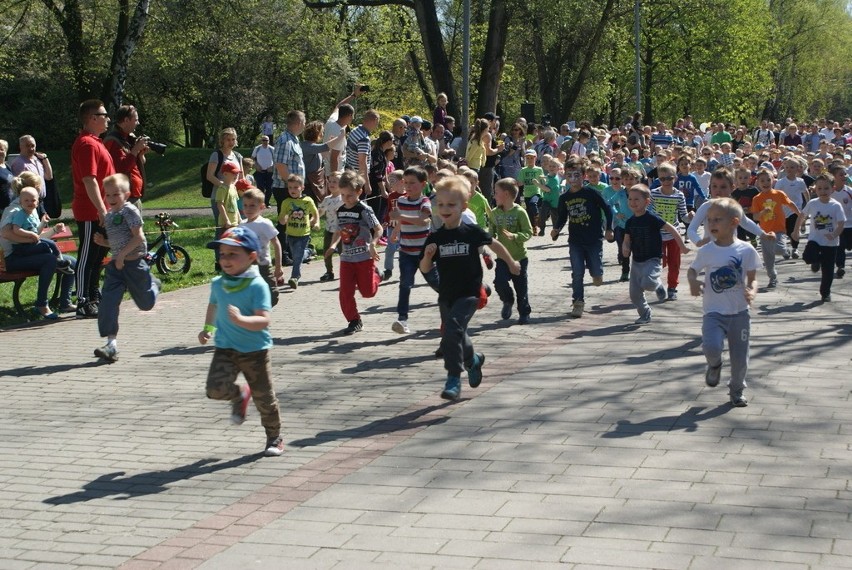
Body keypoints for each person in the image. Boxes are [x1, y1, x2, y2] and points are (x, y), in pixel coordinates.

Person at [419, 175, 519, 400]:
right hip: (446, 295)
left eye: (451, 205)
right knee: (457, 333)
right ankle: (473, 361)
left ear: (463, 206)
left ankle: (453, 378)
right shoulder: (437, 236)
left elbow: (495, 244)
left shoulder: (471, 231)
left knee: (452, 330)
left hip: (470, 293)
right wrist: (427, 256)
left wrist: (511, 263)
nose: (445, 209)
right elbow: (424, 268)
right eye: (441, 204)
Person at [199, 225, 284, 457]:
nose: (225, 259)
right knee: (214, 390)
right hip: (225, 348)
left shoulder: (258, 285)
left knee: (264, 397)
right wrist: (207, 328)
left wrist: (241, 319)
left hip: (255, 351)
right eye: (222, 254)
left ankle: (274, 437)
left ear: (251, 256)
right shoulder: (219, 283)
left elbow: (264, 320)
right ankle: (239, 396)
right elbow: (214, 305)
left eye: (233, 254)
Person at [687, 197, 761, 408]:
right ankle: (715, 364)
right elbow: (693, 269)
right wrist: (693, 281)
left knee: (740, 359)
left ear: (734, 222)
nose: (711, 224)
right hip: (713, 312)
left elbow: (753, 277)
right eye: (709, 220)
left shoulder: (745, 250)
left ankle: (737, 390)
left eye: (717, 220)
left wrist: (752, 290)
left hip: (739, 313)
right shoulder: (707, 250)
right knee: (711, 346)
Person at [90, 174, 159, 362]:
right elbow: (118, 243)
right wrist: (104, 242)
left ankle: (154, 285)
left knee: (146, 304)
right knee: (108, 303)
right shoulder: (110, 216)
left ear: (126, 195)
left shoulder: (130, 211)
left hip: (135, 264)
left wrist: (121, 256)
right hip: (116, 266)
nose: (111, 199)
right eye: (108, 195)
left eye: (116, 195)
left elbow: (139, 238)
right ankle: (111, 345)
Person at [550, 157, 614, 318]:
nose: (573, 179)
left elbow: (607, 210)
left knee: (596, 272)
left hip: (594, 239)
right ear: (565, 175)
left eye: (576, 175)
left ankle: (597, 273)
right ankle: (578, 302)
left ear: (583, 176)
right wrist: (556, 229)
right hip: (575, 240)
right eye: (570, 175)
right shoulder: (564, 198)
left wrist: (609, 229)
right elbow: (563, 216)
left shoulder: (591, 193)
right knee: (577, 272)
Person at [71, 99, 116, 318]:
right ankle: (81, 301)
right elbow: (89, 180)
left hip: (103, 209)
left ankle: (93, 295)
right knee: (88, 255)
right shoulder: (87, 144)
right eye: (104, 114)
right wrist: (100, 209)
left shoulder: (97, 142)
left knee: (98, 256)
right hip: (91, 211)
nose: (108, 118)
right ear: (92, 118)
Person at [324, 171, 382, 335]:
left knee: (368, 293)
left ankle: (377, 275)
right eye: (342, 195)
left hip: (364, 257)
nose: (345, 199)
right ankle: (354, 320)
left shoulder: (364, 210)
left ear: (359, 192)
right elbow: (338, 230)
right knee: (345, 292)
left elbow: (378, 229)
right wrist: (333, 245)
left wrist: (373, 243)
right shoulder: (340, 210)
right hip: (347, 258)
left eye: (349, 195)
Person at [622, 184, 688, 324]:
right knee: (634, 294)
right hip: (636, 261)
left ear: (647, 202)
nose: (632, 202)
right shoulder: (630, 221)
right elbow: (627, 239)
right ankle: (645, 314)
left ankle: (658, 285)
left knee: (648, 282)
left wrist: (681, 246)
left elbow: (671, 229)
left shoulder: (652, 218)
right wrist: (625, 248)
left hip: (652, 258)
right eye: (630, 199)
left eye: (636, 199)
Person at [388, 166, 432, 334]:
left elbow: (423, 220)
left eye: (412, 183)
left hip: (424, 253)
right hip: (406, 251)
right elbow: (402, 220)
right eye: (405, 182)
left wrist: (401, 217)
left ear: (423, 184)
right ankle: (402, 320)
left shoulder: (424, 202)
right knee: (405, 284)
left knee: (435, 282)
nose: (408, 186)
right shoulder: (401, 201)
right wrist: (396, 230)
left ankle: (453, 301)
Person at [794, 173, 846, 302]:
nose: (823, 191)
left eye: (826, 188)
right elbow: (802, 216)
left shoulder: (836, 205)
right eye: (820, 188)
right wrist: (796, 231)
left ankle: (825, 293)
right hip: (815, 239)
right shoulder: (813, 203)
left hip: (831, 242)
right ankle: (816, 261)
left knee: (828, 270)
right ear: (815, 190)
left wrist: (834, 234)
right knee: (807, 257)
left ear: (832, 189)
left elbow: (841, 224)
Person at [491, 178, 532, 325]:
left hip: (520, 257)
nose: (494, 195)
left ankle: (524, 313)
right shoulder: (494, 213)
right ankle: (507, 300)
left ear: (506, 194)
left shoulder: (520, 212)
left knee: (521, 288)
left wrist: (515, 236)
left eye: (496, 192)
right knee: (499, 282)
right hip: (502, 257)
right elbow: (491, 233)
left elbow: (528, 232)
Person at [751, 168, 800, 288]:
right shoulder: (757, 198)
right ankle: (773, 278)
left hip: (779, 230)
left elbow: (790, 204)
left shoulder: (779, 194)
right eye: (762, 180)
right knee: (768, 260)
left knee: (778, 249)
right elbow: (755, 216)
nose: (766, 182)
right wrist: (762, 212)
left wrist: (800, 214)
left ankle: (785, 250)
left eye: (768, 179)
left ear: (773, 180)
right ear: (758, 183)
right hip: (764, 233)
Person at [649, 162, 691, 300]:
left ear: (675, 178)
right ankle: (658, 285)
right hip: (657, 235)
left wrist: (691, 217)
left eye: (669, 178)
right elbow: (647, 213)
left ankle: (672, 288)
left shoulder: (679, 195)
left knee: (674, 263)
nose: (666, 181)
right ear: (658, 179)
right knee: (657, 263)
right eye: (662, 179)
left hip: (674, 234)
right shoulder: (654, 194)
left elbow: (684, 216)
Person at [240, 188, 284, 306]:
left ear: (262, 207)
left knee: (272, 296)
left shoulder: (264, 223)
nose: (248, 209)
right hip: (247, 268)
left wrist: (278, 266)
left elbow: (276, 243)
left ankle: (260, 313)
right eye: (245, 205)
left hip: (263, 266)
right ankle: (254, 316)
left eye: (252, 205)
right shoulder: (241, 224)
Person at [278, 174, 319, 289]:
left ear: (302, 188)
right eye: (290, 187)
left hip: (304, 234)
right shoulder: (286, 202)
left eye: (296, 187)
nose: (293, 190)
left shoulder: (307, 200)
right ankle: (310, 251)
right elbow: (281, 218)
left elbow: (315, 213)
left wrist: (314, 222)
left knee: (296, 257)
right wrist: (283, 219)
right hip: (290, 233)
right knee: (296, 255)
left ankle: (294, 277)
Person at [102, 106, 148, 206]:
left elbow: (136, 163)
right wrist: (135, 149)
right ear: (126, 120)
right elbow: (121, 169)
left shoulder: (128, 138)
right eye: (136, 120)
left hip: (133, 195)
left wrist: (140, 154)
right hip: (124, 199)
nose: (138, 123)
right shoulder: (113, 141)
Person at [206, 128, 244, 224]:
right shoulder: (216, 155)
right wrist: (225, 186)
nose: (231, 142)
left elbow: (241, 177)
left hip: (234, 196)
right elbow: (209, 176)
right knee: (222, 227)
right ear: (222, 141)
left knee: (234, 226)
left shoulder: (238, 156)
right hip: (219, 197)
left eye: (233, 139)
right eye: (228, 140)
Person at [271, 110, 306, 214]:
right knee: (286, 225)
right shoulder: (285, 140)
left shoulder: (293, 139)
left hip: (292, 189)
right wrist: (293, 188)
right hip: (285, 189)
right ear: (299, 123)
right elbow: (281, 166)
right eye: (304, 123)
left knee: (294, 225)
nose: (305, 125)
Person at [775, 157, 810, 259]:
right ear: (784, 168)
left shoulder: (800, 181)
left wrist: (808, 203)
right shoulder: (781, 182)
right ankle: (785, 249)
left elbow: (805, 192)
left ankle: (795, 249)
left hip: (796, 210)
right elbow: (775, 195)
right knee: (784, 231)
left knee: (794, 230)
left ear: (797, 169)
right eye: (787, 167)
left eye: (792, 167)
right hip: (783, 211)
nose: (789, 169)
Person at [323, 88, 361, 174]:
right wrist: (335, 178)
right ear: (349, 115)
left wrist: (353, 95)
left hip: (327, 169)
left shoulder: (331, 120)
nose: (353, 118)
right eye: (353, 115)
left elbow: (338, 106)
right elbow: (334, 159)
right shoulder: (339, 133)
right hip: (334, 172)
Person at [346, 109, 381, 200]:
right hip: (357, 177)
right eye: (377, 123)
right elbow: (362, 162)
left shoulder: (355, 130)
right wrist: (367, 183)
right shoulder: (364, 138)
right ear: (374, 120)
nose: (377, 125)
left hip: (349, 172)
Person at [10, 136, 53, 206]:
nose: (31, 148)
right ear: (20, 147)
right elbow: (20, 188)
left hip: (40, 201)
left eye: (33, 146)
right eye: (27, 146)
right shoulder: (19, 163)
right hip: (29, 202)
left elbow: (49, 177)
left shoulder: (37, 160)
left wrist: (45, 159)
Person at [318, 170, 343, 282]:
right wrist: (314, 220)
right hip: (329, 230)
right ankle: (329, 272)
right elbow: (320, 212)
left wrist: (341, 211)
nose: (332, 184)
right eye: (330, 181)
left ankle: (345, 271)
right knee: (326, 251)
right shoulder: (327, 199)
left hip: (342, 231)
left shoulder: (344, 199)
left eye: (335, 182)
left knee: (344, 253)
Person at [829, 164, 852, 278]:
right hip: (838, 226)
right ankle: (840, 267)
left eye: (845, 174)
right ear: (834, 177)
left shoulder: (849, 191)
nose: (844, 176)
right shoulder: (829, 192)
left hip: (850, 224)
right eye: (841, 174)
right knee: (840, 247)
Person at [517, 149, 543, 232]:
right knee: (529, 212)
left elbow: (543, 182)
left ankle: (538, 216)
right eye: (527, 158)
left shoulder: (539, 169)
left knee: (533, 203)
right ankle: (534, 227)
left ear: (535, 158)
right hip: (527, 194)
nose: (529, 160)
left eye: (531, 158)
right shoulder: (523, 170)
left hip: (536, 192)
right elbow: (520, 183)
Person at [251, 135, 275, 207]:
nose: (265, 142)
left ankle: (266, 203)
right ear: (261, 141)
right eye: (263, 140)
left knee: (269, 188)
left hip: (269, 172)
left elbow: (276, 160)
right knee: (260, 188)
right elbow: (252, 158)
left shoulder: (272, 149)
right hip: (259, 172)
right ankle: (260, 203)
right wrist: (256, 166)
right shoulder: (257, 148)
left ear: (269, 141)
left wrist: (272, 167)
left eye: (266, 140)